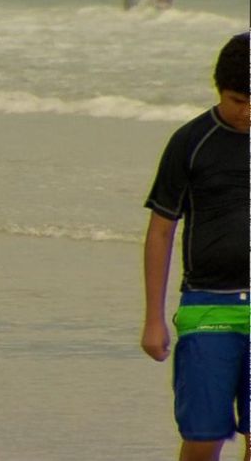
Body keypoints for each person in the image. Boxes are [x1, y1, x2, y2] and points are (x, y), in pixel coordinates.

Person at [141, 32, 249, 461]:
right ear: (218, 89)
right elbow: (161, 232)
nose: (246, 112)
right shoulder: (191, 141)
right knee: (203, 437)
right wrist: (153, 318)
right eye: (237, 99)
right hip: (207, 307)